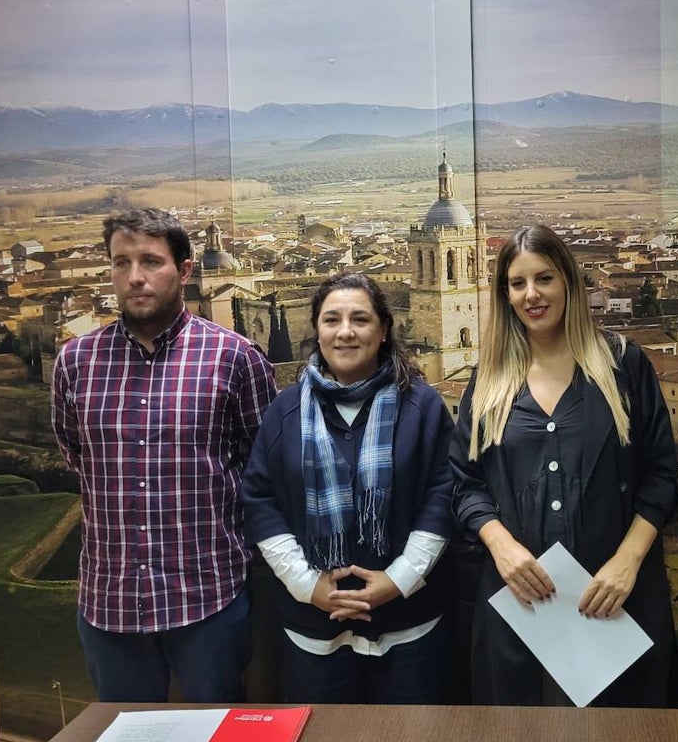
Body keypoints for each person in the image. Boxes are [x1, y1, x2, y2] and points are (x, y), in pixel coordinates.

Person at [51, 208, 278, 703]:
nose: (134, 277)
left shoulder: (235, 358)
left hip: (208, 596)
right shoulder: (75, 362)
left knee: (216, 725)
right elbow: (78, 455)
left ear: (185, 269)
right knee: (126, 731)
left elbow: (261, 470)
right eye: (121, 262)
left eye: (151, 261)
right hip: (109, 600)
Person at [451, 223, 678, 707]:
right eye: (518, 284)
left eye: (544, 279)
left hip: (614, 601)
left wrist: (627, 563)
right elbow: (464, 482)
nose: (531, 294)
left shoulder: (623, 367)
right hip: (520, 607)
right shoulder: (489, 380)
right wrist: (502, 547)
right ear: (505, 294)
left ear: (568, 283)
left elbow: (662, 475)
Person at [242, 272, 455, 704]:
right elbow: (261, 501)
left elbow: (443, 495)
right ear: (316, 331)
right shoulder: (285, 411)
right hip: (313, 629)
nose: (345, 332)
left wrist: (397, 580)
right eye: (331, 320)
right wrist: (308, 586)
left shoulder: (424, 406)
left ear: (383, 330)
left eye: (359, 319)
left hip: (408, 624)